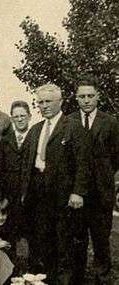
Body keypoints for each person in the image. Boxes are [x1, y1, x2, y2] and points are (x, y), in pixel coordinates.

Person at [20, 83, 86, 284]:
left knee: (63, 242)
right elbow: (25, 162)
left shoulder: (73, 127)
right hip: (37, 192)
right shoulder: (36, 129)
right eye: (40, 102)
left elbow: (83, 162)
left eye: (48, 101)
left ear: (60, 101)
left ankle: (63, 280)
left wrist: (78, 192)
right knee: (42, 240)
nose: (44, 106)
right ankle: (45, 278)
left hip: (63, 194)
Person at [69, 77, 119, 285]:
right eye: (82, 96)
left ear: (98, 96)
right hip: (77, 193)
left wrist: (104, 176)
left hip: (101, 194)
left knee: (100, 240)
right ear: (76, 98)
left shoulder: (110, 122)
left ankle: (102, 277)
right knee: (77, 240)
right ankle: (77, 278)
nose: (87, 100)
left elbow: (116, 157)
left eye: (90, 96)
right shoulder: (69, 121)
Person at [0, 101, 31, 240]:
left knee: (32, 229)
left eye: (23, 116)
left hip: (29, 192)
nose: (20, 119)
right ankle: (9, 259)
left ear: (29, 116)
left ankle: (33, 260)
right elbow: (0, 168)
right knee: (9, 228)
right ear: (11, 119)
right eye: (16, 117)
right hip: (10, 192)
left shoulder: (35, 136)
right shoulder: (5, 140)